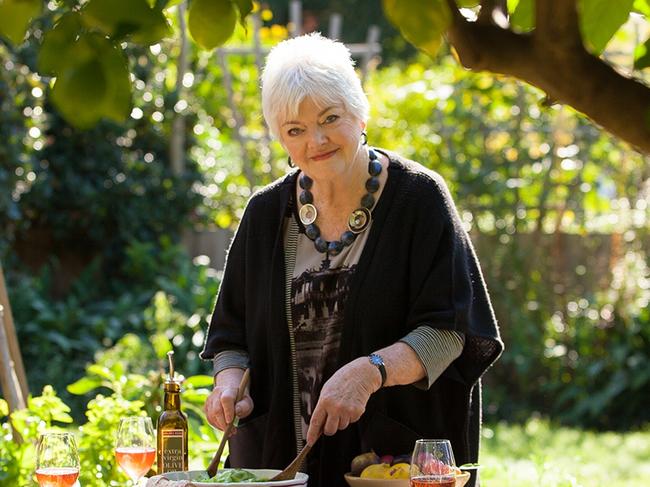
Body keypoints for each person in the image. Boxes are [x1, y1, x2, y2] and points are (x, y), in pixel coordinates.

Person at [200, 33, 503, 487]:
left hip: (387, 465)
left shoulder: (418, 199)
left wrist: (369, 373)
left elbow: (448, 333)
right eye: (295, 129)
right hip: (280, 463)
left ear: (359, 112)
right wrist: (229, 384)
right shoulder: (264, 214)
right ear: (280, 138)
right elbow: (230, 335)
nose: (316, 140)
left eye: (330, 118)